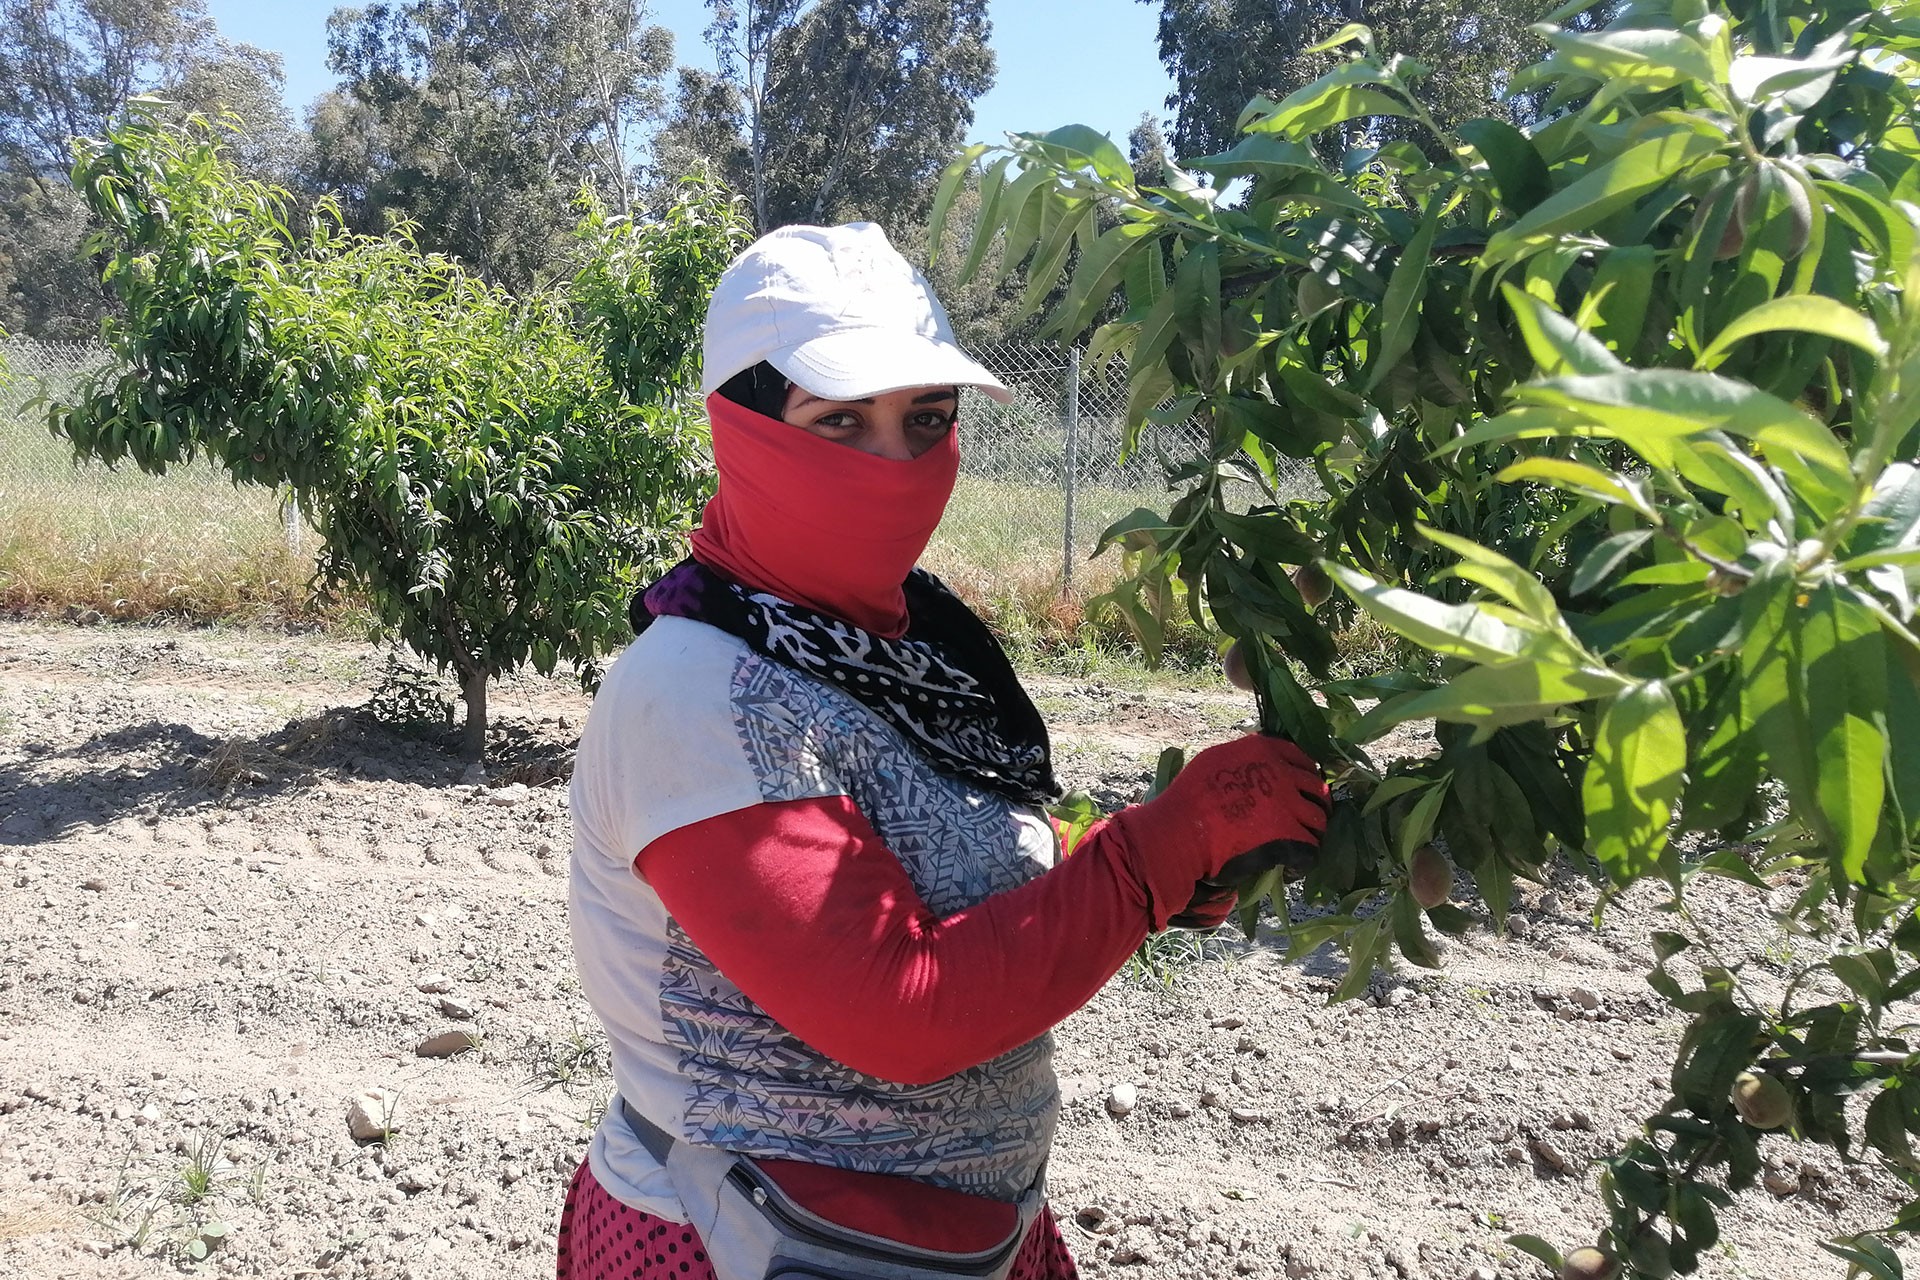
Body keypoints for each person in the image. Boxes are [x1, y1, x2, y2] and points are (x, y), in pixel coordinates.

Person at [561, 221, 1330, 1280]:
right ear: (738, 427)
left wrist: (1092, 857)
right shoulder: (695, 692)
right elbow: (896, 1009)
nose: (896, 464)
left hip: (961, 1234)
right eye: (838, 420)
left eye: (928, 418)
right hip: (756, 1243)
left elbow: (936, 831)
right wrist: (1156, 849)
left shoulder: (911, 636)